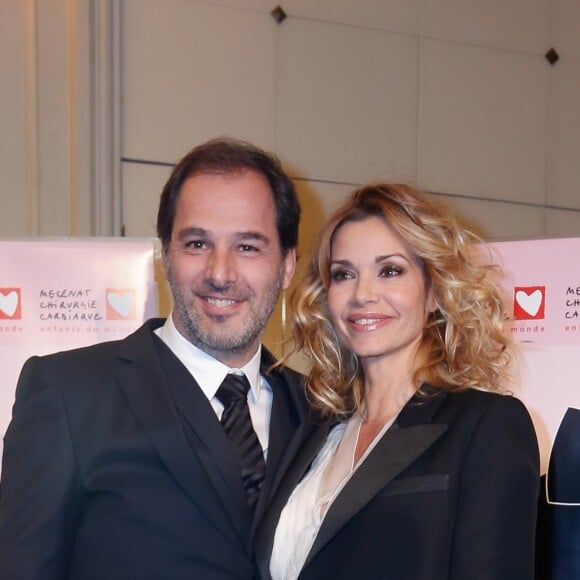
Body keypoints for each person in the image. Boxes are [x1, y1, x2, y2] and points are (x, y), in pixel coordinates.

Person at [0, 138, 316, 579]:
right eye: (197, 244)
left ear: (285, 266)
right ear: (165, 254)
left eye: (247, 246)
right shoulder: (68, 394)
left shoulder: (320, 413)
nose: (220, 273)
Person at [255, 182, 540, 580]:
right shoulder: (312, 428)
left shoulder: (486, 425)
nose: (363, 294)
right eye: (344, 274)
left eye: (390, 270)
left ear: (434, 292)